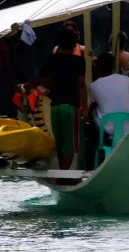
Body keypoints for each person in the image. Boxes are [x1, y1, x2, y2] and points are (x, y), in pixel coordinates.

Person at [25, 28, 87, 170]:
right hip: (71, 106)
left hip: (55, 106)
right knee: (70, 144)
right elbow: (81, 86)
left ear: (59, 44)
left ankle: (61, 174)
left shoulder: (50, 60)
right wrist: (85, 108)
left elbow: (38, 79)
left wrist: (25, 87)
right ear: (74, 45)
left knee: (59, 143)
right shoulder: (78, 62)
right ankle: (64, 175)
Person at [88, 52, 129, 140]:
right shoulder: (126, 79)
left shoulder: (94, 85)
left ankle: (94, 144)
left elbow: (94, 105)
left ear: (97, 68)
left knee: (93, 111)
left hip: (108, 130)